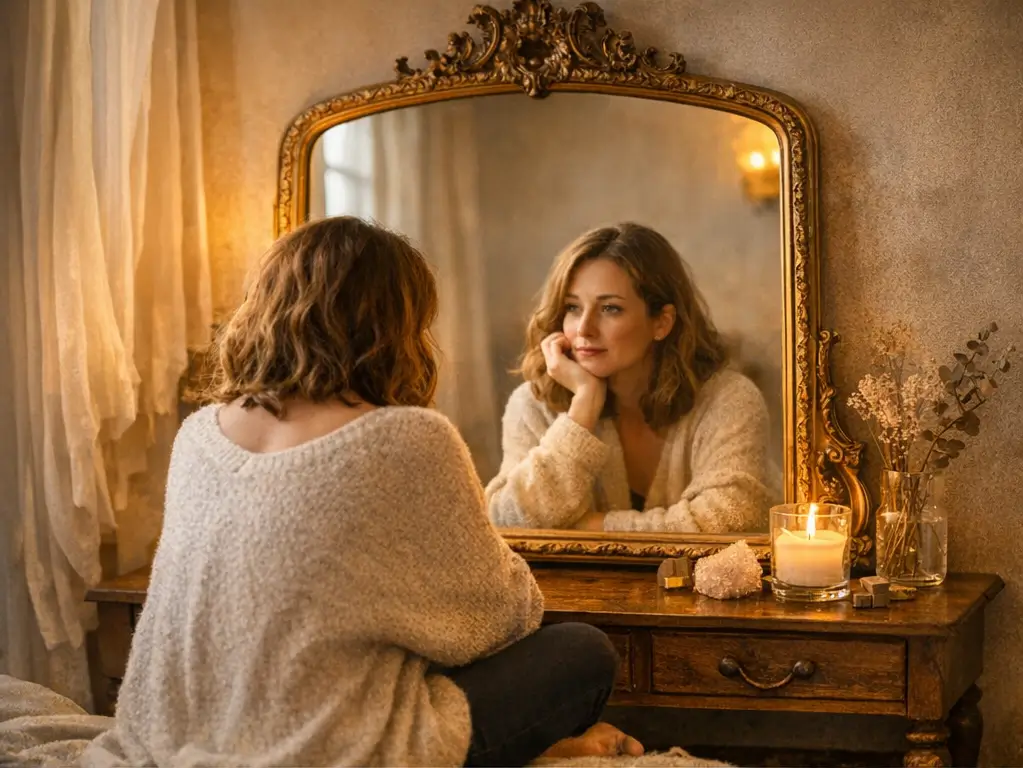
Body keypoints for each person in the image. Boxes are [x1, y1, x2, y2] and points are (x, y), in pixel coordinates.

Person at [82, 217, 643, 767]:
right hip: (330, 750)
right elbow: (500, 618)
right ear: (393, 327)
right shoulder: (406, 437)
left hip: (169, 735)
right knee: (581, 652)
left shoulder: (199, 435)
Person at [486, 222, 773, 533]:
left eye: (610, 308)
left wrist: (594, 527)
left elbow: (733, 516)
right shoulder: (534, 404)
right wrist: (583, 407)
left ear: (662, 322)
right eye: (572, 307)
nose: (584, 329)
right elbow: (507, 520)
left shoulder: (728, 400)